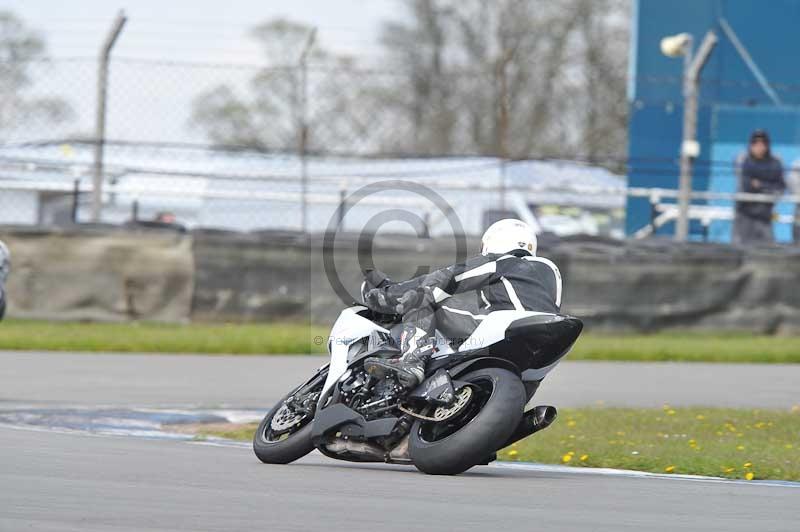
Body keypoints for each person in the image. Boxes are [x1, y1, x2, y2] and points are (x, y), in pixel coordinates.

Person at [361, 218, 562, 389]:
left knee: (421, 298)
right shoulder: (552, 271)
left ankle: (412, 361)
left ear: (494, 242)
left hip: (510, 328)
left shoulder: (502, 261)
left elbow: (444, 281)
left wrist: (387, 294)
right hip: (547, 344)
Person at [733, 129, 786, 244]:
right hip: (745, 215)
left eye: (762, 143)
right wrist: (767, 186)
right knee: (740, 251)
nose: (759, 147)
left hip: (765, 215)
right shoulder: (743, 160)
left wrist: (760, 184)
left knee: (767, 252)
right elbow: (746, 185)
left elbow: (779, 188)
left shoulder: (775, 163)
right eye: (755, 143)